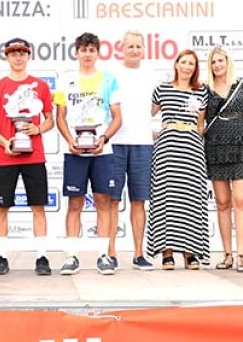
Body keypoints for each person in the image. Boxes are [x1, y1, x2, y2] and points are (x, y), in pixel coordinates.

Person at [0, 38, 55, 276]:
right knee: (2, 207)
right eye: (13, 53)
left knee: (38, 207)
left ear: (29, 55)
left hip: (35, 156)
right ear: (7, 57)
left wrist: (38, 129)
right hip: (6, 157)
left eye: (22, 52)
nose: (18, 57)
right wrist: (5, 142)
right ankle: (1, 256)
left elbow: (50, 119)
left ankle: (41, 256)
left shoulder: (40, 86)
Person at [54, 32, 122, 275]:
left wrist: (104, 138)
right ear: (76, 52)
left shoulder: (109, 80)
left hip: (102, 152)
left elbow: (117, 117)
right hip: (75, 152)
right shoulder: (65, 80)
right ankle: (71, 256)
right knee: (75, 203)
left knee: (103, 202)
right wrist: (70, 140)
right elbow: (59, 117)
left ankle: (103, 255)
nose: (87, 54)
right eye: (83, 50)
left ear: (97, 53)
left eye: (92, 50)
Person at [148, 49, 210, 270]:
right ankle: (167, 253)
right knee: (166, 199)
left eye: (191, 64)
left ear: (195, 68)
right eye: (183, 62)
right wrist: (151, 133)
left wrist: (197, 147)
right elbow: (145, 115)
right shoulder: (162, 89)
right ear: (176, 64)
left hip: (191, 149)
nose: (186, 67)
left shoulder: (201, 91)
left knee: (189, 199)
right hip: (167, 149)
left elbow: (200, 125)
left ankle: (190, 252)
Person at [204, 45, 243, 273]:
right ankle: (227, 254)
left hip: (242, 148)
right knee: (223, 203)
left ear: (228, 62)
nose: (217, 65)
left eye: (221, 60)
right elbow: (200, 120)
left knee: (241, 200)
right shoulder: (205, 90)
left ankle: (242, 255)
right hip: (216, 148)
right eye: (213, 61)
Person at [109, 30, 157, 270]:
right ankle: (110, 253)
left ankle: (139, 253)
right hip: (115, 143)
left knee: (139, 201)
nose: (135, 50)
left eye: (139, 46)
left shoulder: (152, 75)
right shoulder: (111, 75)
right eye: (131, 46)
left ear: (144, 49)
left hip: (143, 144)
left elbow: (156, 107)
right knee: (112, 201)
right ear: (122, 48)